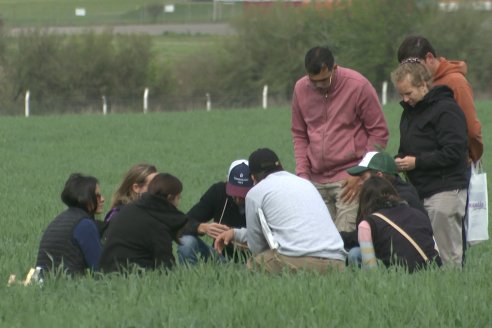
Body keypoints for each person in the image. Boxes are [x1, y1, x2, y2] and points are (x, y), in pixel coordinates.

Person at [291, 46, 389, 233]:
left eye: (324, 80)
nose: (319, 85)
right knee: (318, 239)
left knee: (344, 238)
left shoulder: (358, 86)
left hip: (349, 179)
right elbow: (299, 134)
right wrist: (302, 177)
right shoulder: (300, 89)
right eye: (314, 81)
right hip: (314, 180)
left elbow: (378, 132)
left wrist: (360, 172)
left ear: (334, 68)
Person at [215, 148, 346, 274]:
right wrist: (235, 233)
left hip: (300, 260)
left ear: (253, 177)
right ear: (280, 166)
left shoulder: (255, 192)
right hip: (337, 261)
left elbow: (257, 247)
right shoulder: (305, 184)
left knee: (254, 264)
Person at [391, 60, 468, 266]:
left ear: (424, 84)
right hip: (419, 192)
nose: (405, 100)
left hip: (445, 192)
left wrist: (417, 162)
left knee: (448, 258)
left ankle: (453, 291)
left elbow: (455, 152)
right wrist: (398, 160)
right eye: (401, 95)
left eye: (409, 93)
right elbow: (407, 148)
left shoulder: (446, 110)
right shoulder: (409, 113)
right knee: (428, 258)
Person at [397, 35, 483, 163]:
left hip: (453, 168)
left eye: (416, 67)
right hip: (425, 170)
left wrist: (470, 155)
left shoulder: (455, 83)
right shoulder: (415, 86)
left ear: (430, 58)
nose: (411, 73)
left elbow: (471, 129)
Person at [341, 151, 426, 265]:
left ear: (379, 176)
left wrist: (338, 238)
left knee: (354, 254)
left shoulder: (403, 198)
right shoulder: (377, 194)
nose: (359, 183)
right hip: (387, 250)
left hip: (403, 259)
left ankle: (371, 281)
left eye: (363, 178)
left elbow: (372, 233)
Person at [99, 173, 188, 273]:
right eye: (178, 198)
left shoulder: (130, 208)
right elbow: (166, 266)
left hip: (107, 270)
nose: (179, 202)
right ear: (170, 197)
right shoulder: (158, 222)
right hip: (133, 274)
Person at [356, 176, 441, 273]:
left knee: (354, 253)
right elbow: (434, 249)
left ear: (364, 199)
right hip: (432, 273)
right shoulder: (419, 214)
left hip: (397, 278)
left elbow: (370, 269)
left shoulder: (367, 225)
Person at [178, 160, 253, 265]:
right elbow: (181, 224)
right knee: (186, 241)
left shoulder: (263, 198)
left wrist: (239, 239)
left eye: (243, 193)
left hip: (255, 262)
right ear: (227, 182)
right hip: (219, 257)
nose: (238, 198)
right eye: (235, 192)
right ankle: (188, 277)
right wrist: (201, 227)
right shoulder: (218, 192)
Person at [36, 173, 105, 276]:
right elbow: (101, 269)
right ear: (85, 198)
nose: (103, 199)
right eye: (97, 196)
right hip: (68, 286)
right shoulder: (85, 225)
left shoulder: (59, 220)